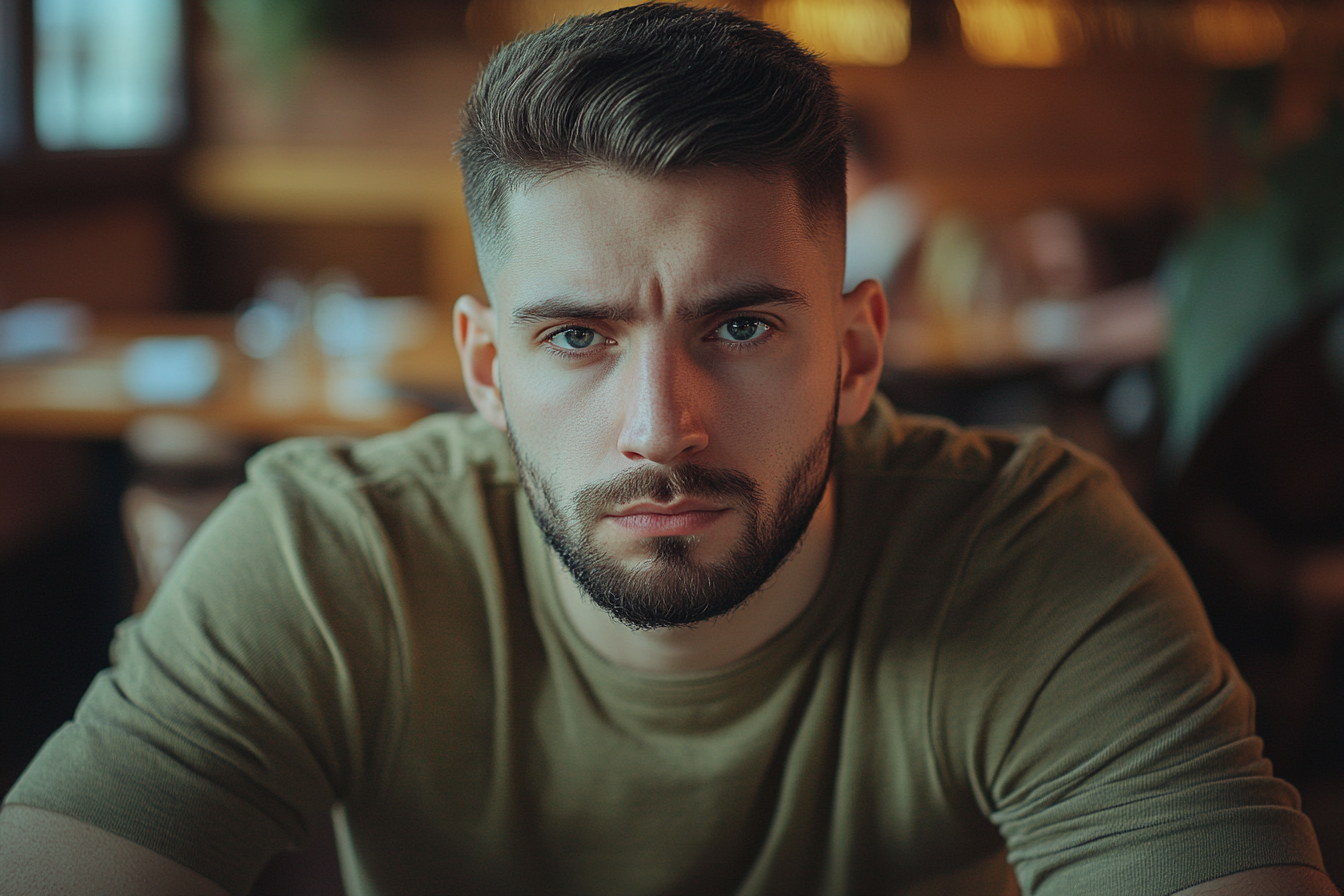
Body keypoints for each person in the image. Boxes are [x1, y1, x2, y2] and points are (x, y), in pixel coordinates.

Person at [0, 5, 1335, 895]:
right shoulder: (330, 555)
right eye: (575, 338)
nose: (660, 427)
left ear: (859, 352)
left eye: (742, 325)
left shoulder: (1031, 553)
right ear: (487, 371)